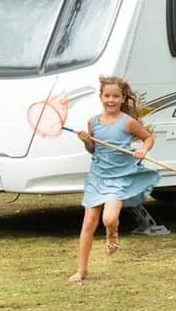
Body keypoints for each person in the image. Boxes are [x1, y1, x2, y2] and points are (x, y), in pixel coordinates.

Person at [68, 76, 161, 284]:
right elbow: (93, 150)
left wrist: (143, 149)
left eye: (116, 96)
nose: (111, 100)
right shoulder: (93, 122)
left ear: (123, 98)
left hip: (120, 177)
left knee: (109, 219)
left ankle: (112, 234)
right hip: (98, 176)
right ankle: (81, 270)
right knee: (89, 222)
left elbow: (148, 138)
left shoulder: (128, 122)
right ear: (101, 97)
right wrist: (86, 141)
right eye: (107, 96)